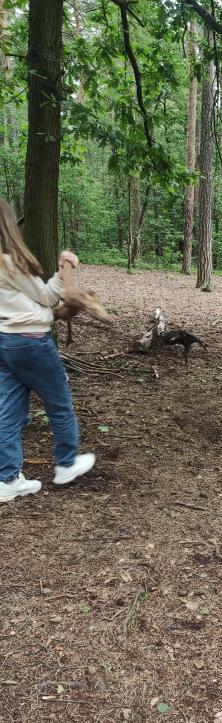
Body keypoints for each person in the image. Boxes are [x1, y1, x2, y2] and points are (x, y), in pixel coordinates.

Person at [0, 198, 95, 502]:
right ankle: (66, 464)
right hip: (31, 342)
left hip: (5, 342)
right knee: (59, 402)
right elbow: (45, 296)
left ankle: (7, 479)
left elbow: (28, 300)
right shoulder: (8, 262)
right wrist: (66, 267)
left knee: (8, 411)